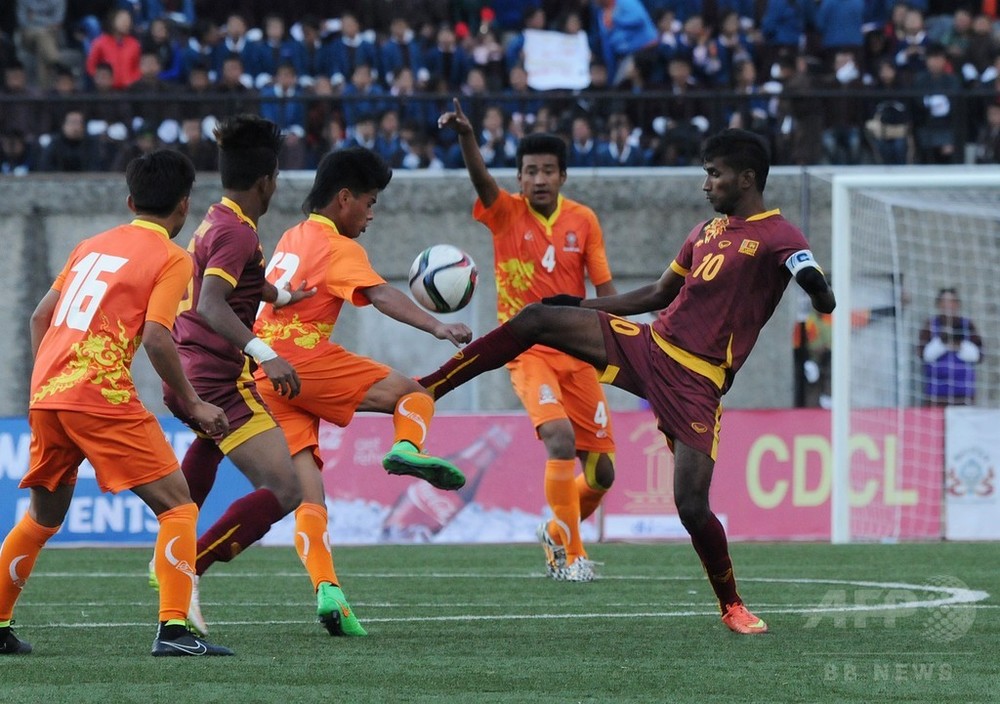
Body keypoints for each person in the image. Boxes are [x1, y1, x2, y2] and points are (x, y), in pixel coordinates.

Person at [418, 128, 837, 633]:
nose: (707, 184)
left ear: (746, 179)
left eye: (715, 174)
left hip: (697, 383)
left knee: (690, 505)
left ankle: (732, 605)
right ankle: (428, 389)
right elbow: (659, 293)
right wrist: (579, 306)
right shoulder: (706, 231)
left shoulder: (778, 235)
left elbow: (813, 278)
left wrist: (815, 286)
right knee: (535, 318)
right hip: (648, 346)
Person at [0, 150, 233, 656]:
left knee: (42, 517)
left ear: (131, 200)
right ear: (184, 206)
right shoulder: (174, 257)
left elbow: (41, 318)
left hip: (49, 395)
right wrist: (193, 404)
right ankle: (175, 630)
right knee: (178, 505)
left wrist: (53, 380)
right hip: (99, 395)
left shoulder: (90, 244)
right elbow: (156, 337)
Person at [251, 146, 471, 633]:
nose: (371, 215)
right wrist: (437, 327)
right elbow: (381, 293)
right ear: (344, 198)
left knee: (311, 497)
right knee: (415, 393)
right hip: (303, 361)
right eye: (370, 203)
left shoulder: (292, 235)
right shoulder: (339, 246)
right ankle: (406, 446)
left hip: (266, 372)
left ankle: (329, 592)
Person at [437, 98, 619, 583]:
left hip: (579, 351)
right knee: (559, 438)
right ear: (518, 179)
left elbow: (606, 292)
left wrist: (614, 342)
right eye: (529, 171)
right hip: (527, 352)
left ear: (562, 177)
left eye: (548, 171)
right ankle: (573, 555)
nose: (538, 179)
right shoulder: (504, 213)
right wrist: (466, 137)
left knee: (603, 474)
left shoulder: (584, 221)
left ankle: (557, 530)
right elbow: (481, 181)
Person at [161, 115, 311, 637]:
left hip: (191, 368)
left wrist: (284, 296)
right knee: (286, 488)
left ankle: (172, 553)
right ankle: (187, 568)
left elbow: (245, 282)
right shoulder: (235, 233)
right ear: (267, 181)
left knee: (209, 445)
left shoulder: (220, 221)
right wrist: (265, 352)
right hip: (216, 374)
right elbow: (210, 303)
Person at [919, 287, 983, 406]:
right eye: (944, 301)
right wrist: (942, 344)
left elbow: (979, 355)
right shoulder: (931, 325)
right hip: (936, 395)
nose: (948, 305)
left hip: (963, 394)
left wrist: (960, 346)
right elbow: (923, 354)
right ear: (938, 304)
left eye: (951, 301)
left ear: (957, 304)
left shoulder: (967, 325)